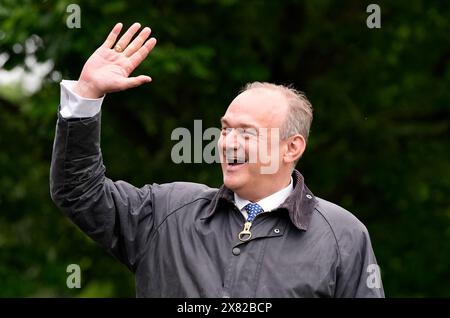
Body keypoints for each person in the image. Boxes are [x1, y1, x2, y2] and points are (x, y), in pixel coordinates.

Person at [50, 22, 384, 298]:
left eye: (246, 133)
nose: (227, 143)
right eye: (225, 129)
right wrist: (86, 95)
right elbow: (79, 191)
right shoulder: (165, 213)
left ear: (292, 148)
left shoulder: (343, 236)